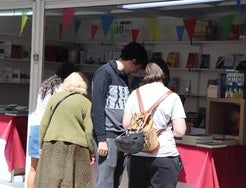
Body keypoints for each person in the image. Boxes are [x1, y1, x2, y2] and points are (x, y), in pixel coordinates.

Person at [122, 57, 187, 188]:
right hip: (164, 155)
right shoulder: (172, 97)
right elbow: (180, 131)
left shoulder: (135, 94)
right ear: (165, 74)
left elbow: (126, 124)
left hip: (138, 154)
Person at [91, 42, 148, 188]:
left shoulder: (124, 77)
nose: (136, 71)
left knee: (116, 179)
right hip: (108, 136)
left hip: (122, 137)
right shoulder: (104, 72)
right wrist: (101, 138)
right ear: (133, 61)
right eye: (137, 67)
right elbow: (97, 106)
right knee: (105, 181)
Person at [34, 72, 95, 187]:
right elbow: (89, 131)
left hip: (51, 145)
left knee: (49, 181)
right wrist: (92, 152)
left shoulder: (54, 98)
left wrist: (41, 144)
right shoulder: (86, 103)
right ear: (83, 85)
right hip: (78, 150)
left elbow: (44, 123)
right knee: (76, 182)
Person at [27, 62, 78, 188]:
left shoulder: (46, 85)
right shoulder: (64, 90)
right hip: (50, 131)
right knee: (52, 171)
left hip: (35, 128)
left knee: (34, 168)